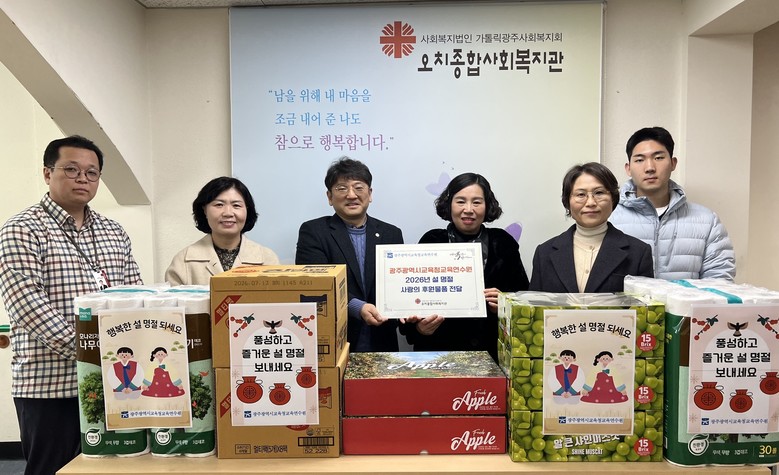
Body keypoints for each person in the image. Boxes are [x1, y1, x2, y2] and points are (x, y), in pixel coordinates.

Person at [0, 135, 142, 475]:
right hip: (50, 384)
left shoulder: (113, 231)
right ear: (47, 173)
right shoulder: (22, 229)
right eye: (72, 169)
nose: (83, 179)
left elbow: (135, 295)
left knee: (115, 468)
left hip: (113, 382)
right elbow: (28, 306)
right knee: (52, 468)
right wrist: (94, 352)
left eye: (92, 172)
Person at [403, 173, 529, 362]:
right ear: (449, 204)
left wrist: (504, 305)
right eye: (460, 201)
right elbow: (409, 300)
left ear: (487, 206)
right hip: (437, 354)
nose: (468, 209)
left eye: (477, 202)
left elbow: (524, 299)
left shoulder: (503, 242)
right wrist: (419, 329)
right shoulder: (431, 240)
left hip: (491, 354)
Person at [295, 157, 403, 352]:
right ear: (329, 197)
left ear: (370, 194)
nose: (351, 195)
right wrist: (357, 307)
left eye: (358, 187)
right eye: (342, 188)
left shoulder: (391, 233)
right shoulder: (314, 231)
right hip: (335, 342)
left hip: (382, 341)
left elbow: (398, 285)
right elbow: (314, 285)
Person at [610, 126, 735, 280]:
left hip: (686, 298)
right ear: (628, 168)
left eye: (658, 158)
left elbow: (719, 278)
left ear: (673, 163)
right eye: (640, 160)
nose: (649, 168)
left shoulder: (707, 221)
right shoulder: (610, 218)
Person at [529, 162, 653, 293]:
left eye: (599, 193)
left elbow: (646, 305)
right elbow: (535, 303)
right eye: (581, 195)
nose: (591, 202)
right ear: (567, 201)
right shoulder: (544, 253)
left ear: (613, 199)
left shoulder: (639, 253)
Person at [165, 176, 279, 285]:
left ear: (247, 210)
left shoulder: (267, 259)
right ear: (204, 210)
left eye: (236, 205)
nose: (228, 213)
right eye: (219, 205)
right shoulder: (182, 262)